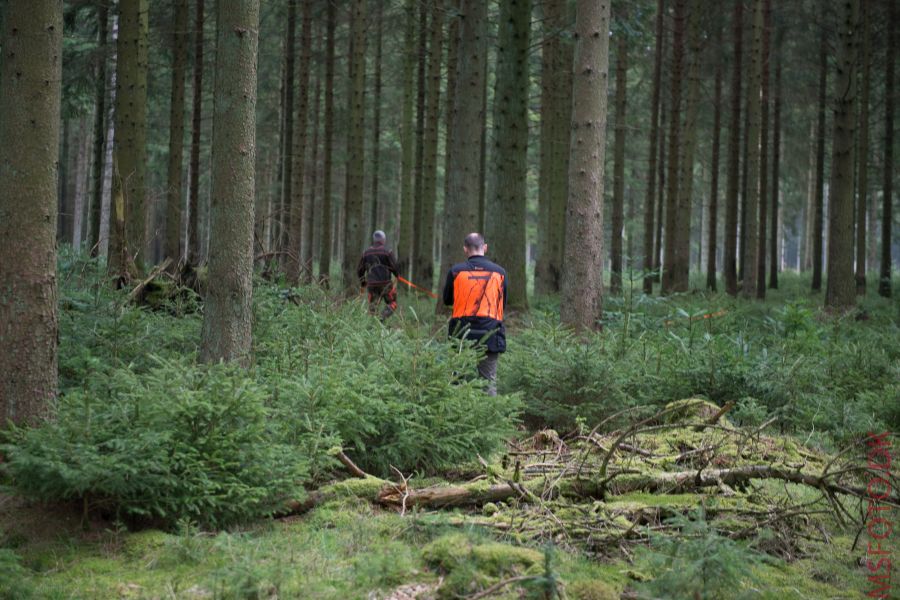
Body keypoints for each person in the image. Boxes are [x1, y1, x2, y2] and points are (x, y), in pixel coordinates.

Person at [442, 232, 507, 396]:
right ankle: (489, 419)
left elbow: (447, 300)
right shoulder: (500, 273)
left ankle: (457, 416)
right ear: (484, 247)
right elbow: (502, 303)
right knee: (488, 382)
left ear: (465, 249)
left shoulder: (456, 272)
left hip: (461, 333)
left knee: (457, 378)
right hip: (491, 333)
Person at [357, 230, 399, 320]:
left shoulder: (366, 253)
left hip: (372, 285)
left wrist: (363, 282)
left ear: (374, 240)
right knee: (393, 303)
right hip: (386, 284)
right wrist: (397, 275)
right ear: (383, 240)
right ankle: (382, 317)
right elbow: (395, 268)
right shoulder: (388, 252)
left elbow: (360, 270)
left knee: (372, 308)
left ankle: (372, 327)